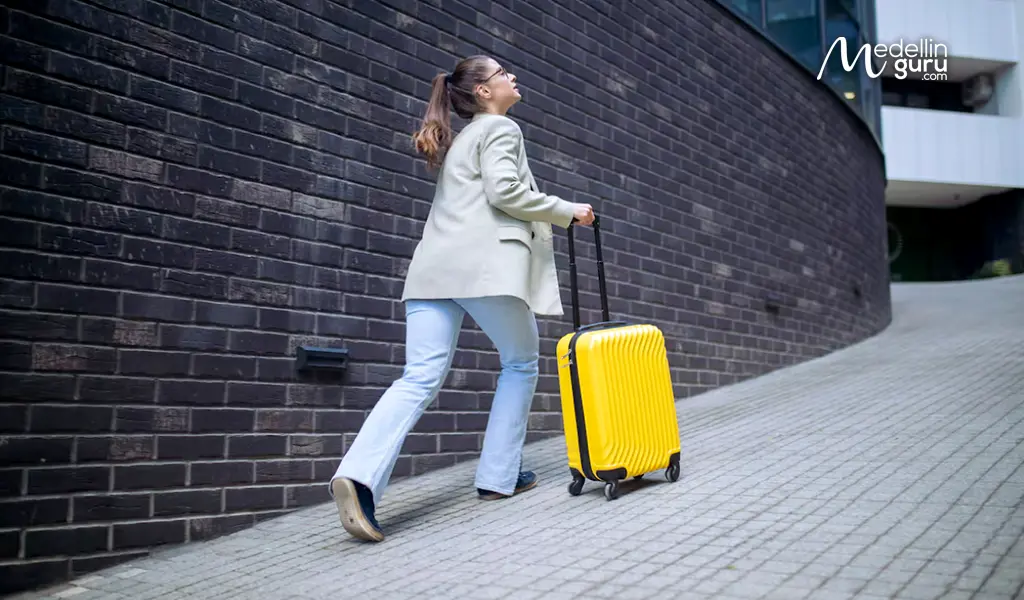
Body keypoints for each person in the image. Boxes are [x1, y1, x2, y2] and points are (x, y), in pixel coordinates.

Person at [328, 55, 596, 543]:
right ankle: (498, 476)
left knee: (418, 377)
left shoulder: (460, 141)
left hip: (431, 273)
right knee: (520, 362)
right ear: (484, 92)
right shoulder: (501, 129)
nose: (513, 77)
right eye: (503, 74)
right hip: (482, 271)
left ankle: (359, 478)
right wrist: (567, 210)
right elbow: (505, 192)